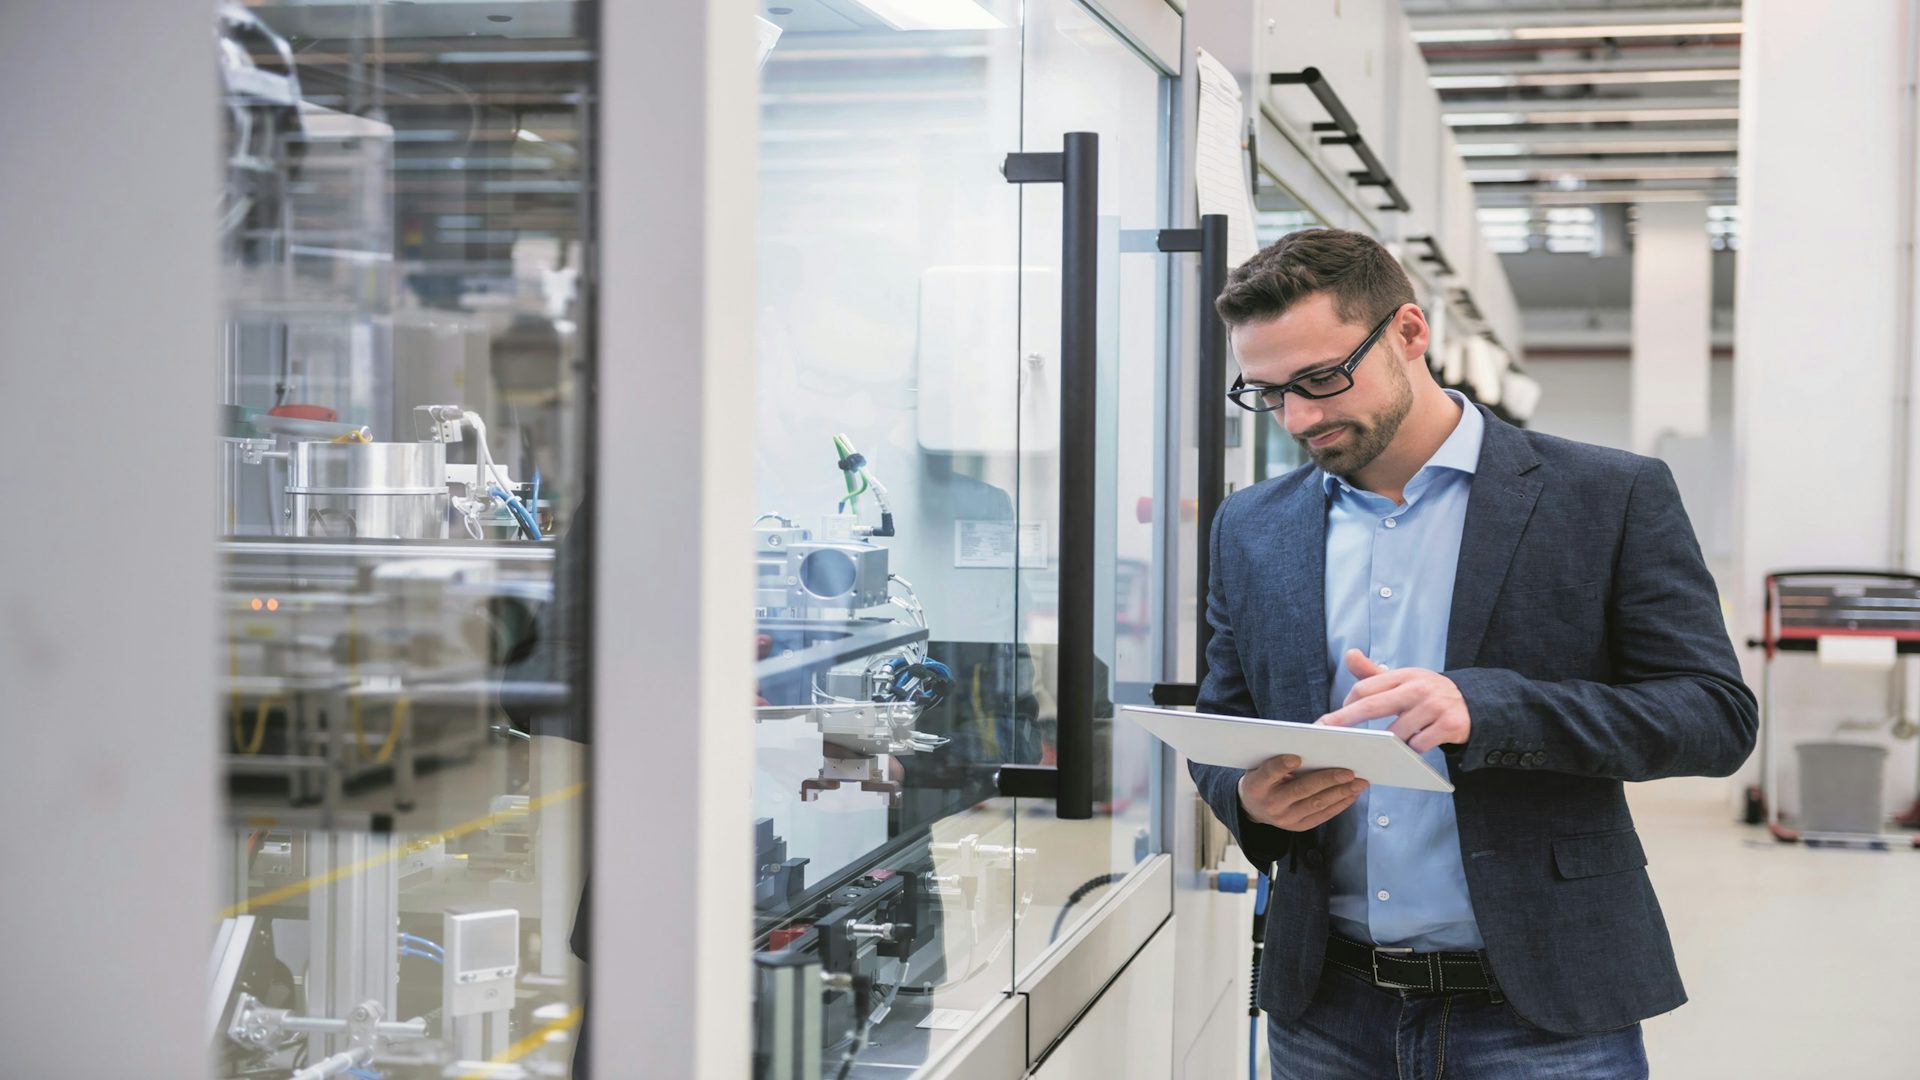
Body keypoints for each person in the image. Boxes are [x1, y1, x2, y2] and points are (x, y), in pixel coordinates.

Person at [1187, 228, 1756, 1079]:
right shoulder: (1254, 526)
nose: (1300, 417)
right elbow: (1224, 721)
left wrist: (1486, 708)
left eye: (1321, 379)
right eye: (1268, 394)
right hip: (1326, 1008)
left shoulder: (1607, 496)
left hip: (1540, 1010)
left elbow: (1715, 715)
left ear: (1410, 333)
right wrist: (1252, 799)